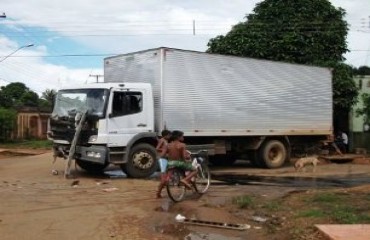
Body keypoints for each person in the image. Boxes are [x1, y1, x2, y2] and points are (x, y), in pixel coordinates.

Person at [155, 130, 171, 198]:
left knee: (166, 177)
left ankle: (159, 192)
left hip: (165, 159)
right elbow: (157, 148)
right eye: (169, 135)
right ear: (165, 135)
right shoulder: (162, 140)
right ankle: (158, 193)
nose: (170, 136)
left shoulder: (165, 141)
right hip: (162, 159)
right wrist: (165, 150)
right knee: (163, 178)